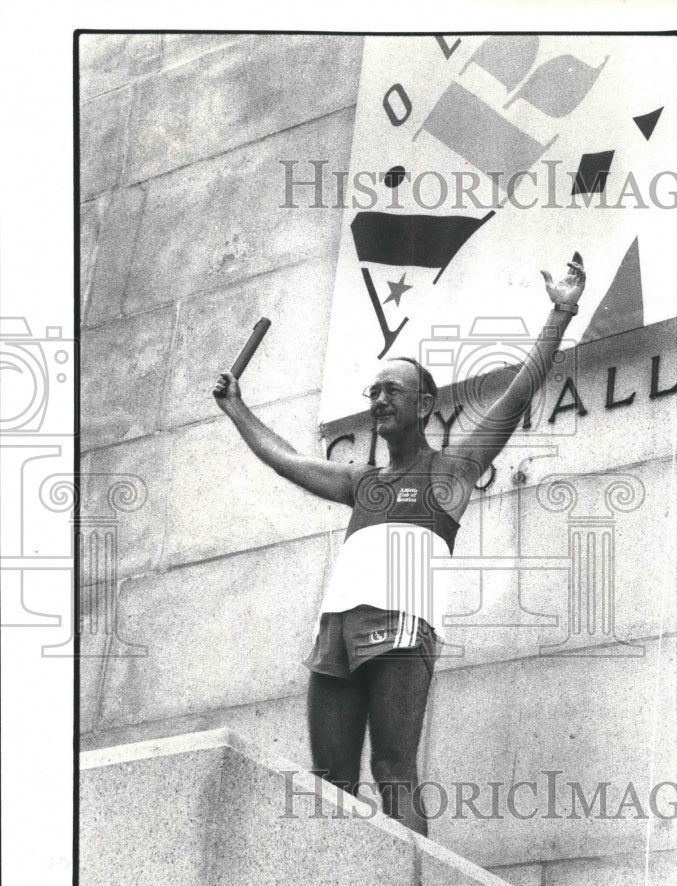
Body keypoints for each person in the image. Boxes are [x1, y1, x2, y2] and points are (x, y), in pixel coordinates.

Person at [213, 252, 586, 835]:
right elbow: (286, 459)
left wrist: (559, 315)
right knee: (330, 778)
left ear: (424, 405)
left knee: (393, 769)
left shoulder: (450, 472)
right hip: (335, 629)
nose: (380, 398)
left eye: (393, 390)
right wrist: (238, 408)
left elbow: (513, 400)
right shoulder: (361, 482)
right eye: (374, 390)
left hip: (403, 627)